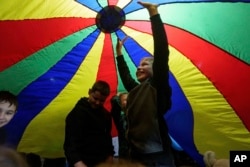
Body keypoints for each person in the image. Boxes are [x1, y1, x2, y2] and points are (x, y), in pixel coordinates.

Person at [116, 1, 175, 166]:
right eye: (139, 65)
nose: (139, 67)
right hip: (136, 154)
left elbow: (161, 50)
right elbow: (127, 77)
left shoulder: (157, 85)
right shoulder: (137, 90)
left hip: (158, 156)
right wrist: (119, 53)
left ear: (155, 69)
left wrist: (153, 14)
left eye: (144, 64)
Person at [64, 80, 114, 167]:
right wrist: (78, 162)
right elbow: (70, 143)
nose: (97, 103)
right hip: (81, 161)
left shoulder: (106, 115)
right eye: (95, 98)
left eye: (102, 100)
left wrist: (109, 156)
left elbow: (107, 139)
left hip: (100, 162)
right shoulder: (77, 113)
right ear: (90, 92)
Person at [111, 92, 129, 159]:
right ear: (120, 104)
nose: (128, 102)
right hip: (124, 154)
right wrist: (116, 97)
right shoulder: (120, 119)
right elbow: (115, 107)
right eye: (125, 100)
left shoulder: (137, 116)